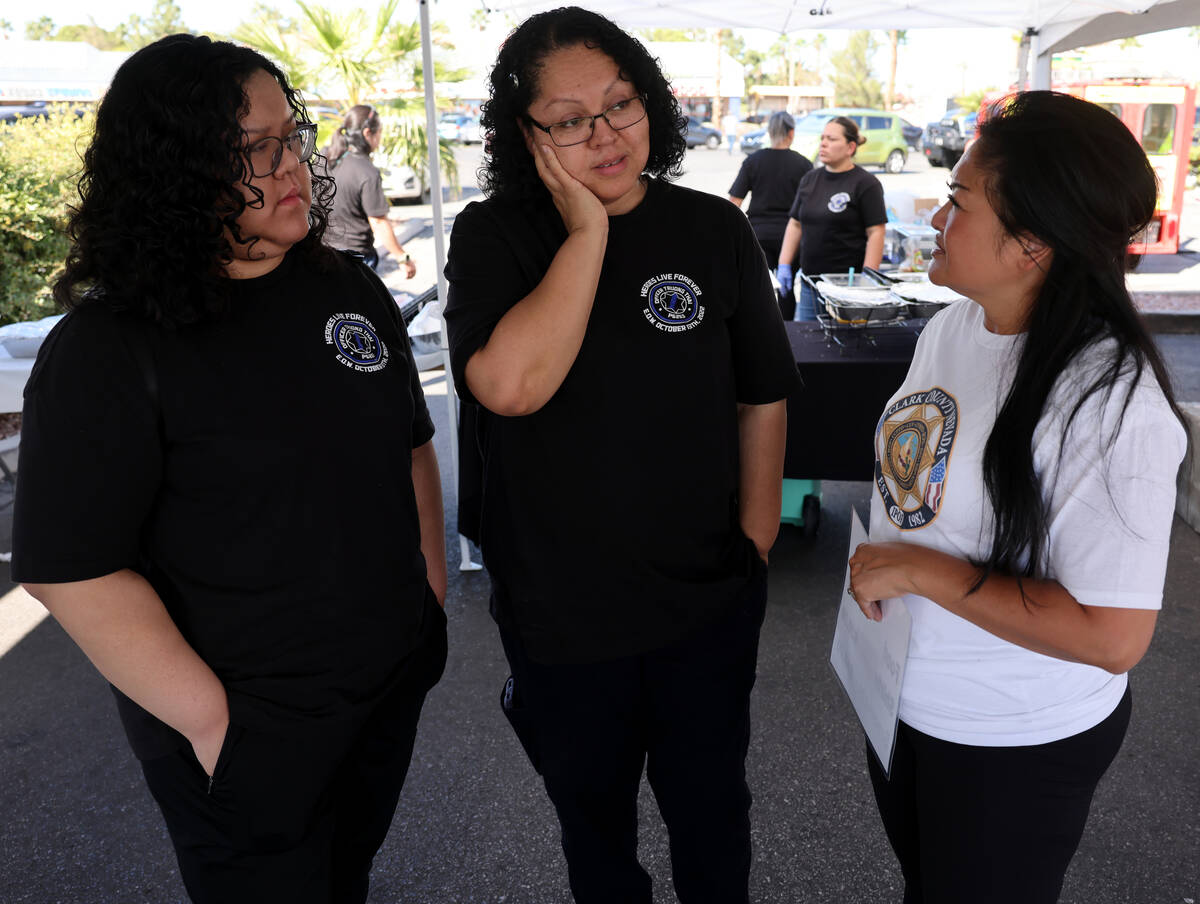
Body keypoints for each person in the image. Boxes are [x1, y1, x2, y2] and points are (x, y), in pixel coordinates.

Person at [12, 35, 447, 904]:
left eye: (293, 135)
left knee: (344, 879)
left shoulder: (345, 289)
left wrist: (426, 604)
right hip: (247, 725)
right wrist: (216, 725)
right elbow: (71, 566)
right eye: (259, 149)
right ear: (175, 171)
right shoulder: (111, 348)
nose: (296, 163)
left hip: (382, 685)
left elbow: (407, 444)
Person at [443, 8, 797, 903]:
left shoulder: (713, 231)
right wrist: (589, 235)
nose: (603, 135)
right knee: (593, 827)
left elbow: (762, 391)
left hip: (704, 597)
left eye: (620, 105)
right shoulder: (495, 236)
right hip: (562, 613)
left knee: (712, 814)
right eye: (569, 119)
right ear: (524, 134)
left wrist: (755, 539)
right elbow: (510, 386)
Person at [847, 91, 1187, 903]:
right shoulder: (955, 327)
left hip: (1010, 737)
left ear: (1033, 242)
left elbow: (1114, 637)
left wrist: (920, 574)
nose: (935, 217)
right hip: (907, 696)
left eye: (960, 200)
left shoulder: (1109, 402)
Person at [776, 115, 886, 320]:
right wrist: (784, 264)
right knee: (807, 344)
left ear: (850, 147)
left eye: (832, 139)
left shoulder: (866, 183)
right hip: (810, 284)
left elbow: (876, 232)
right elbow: (795, 224)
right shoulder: (810, 179)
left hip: (846, 288)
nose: (823, 143)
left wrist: (868, 278)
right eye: (822, 138)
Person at [728, 110, 813, 319]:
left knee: (758, 289)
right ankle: (787, 333)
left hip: (758, 234)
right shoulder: (803, 164)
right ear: (791, 133)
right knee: (787, 287)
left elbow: (734, 203)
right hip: (791, 237)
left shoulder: (753, 161)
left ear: (769, 132)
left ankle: (759, 332)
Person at [323, 104, 417, 278]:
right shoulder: (367, 171)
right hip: (355, 259)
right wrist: (402, 257)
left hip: (322, 253)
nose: (380, 138)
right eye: (379, 132)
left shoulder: (325, 158)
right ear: (367, 133)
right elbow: (379, 222)